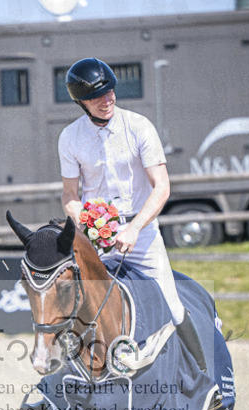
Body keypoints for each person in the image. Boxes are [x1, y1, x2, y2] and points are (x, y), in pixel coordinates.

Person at [59, 56, 207, 372]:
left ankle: (205, 380)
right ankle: (55, 389)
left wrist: (135, 228)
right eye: (96, 97)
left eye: (110, 91)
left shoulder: (139, 127)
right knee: (72, 307)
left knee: (173, 306)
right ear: (81, 102)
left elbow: (162, 187)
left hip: (143, 235)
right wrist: (87, 224)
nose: (106, 99)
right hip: (97, 239)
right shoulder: (70, 138)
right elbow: (71, 197)